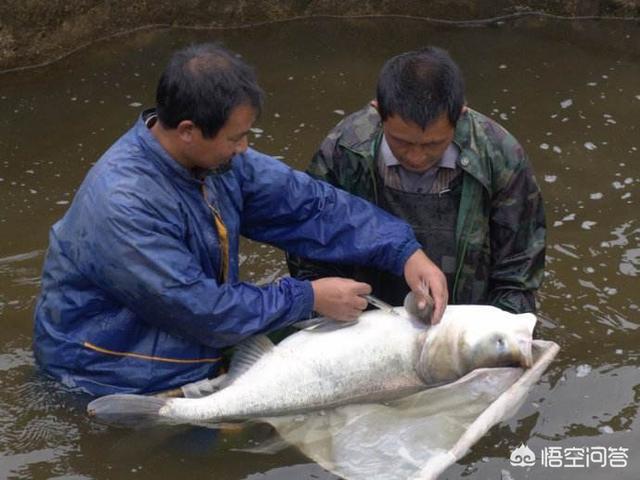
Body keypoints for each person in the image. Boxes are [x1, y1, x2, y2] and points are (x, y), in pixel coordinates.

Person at [33, 44, 447, 397]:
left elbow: (310, 206)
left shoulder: (221, 164)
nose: (245, 148)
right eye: (235, 138)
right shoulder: (124, 204)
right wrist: (308, 297)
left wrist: (404, 250)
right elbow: (201, 311)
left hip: (187, 347)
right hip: (107, 373)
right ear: (189, 131)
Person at [288, 46, 545, 314]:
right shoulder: (345, 151)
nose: (417, 157)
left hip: (462, 320)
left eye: (433, 144)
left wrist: (491, 339)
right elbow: (309, 252)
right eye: (401, 142)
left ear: (461, 115)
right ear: (378, 112)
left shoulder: (499, 155)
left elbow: (519, 272)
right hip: (365, 319)